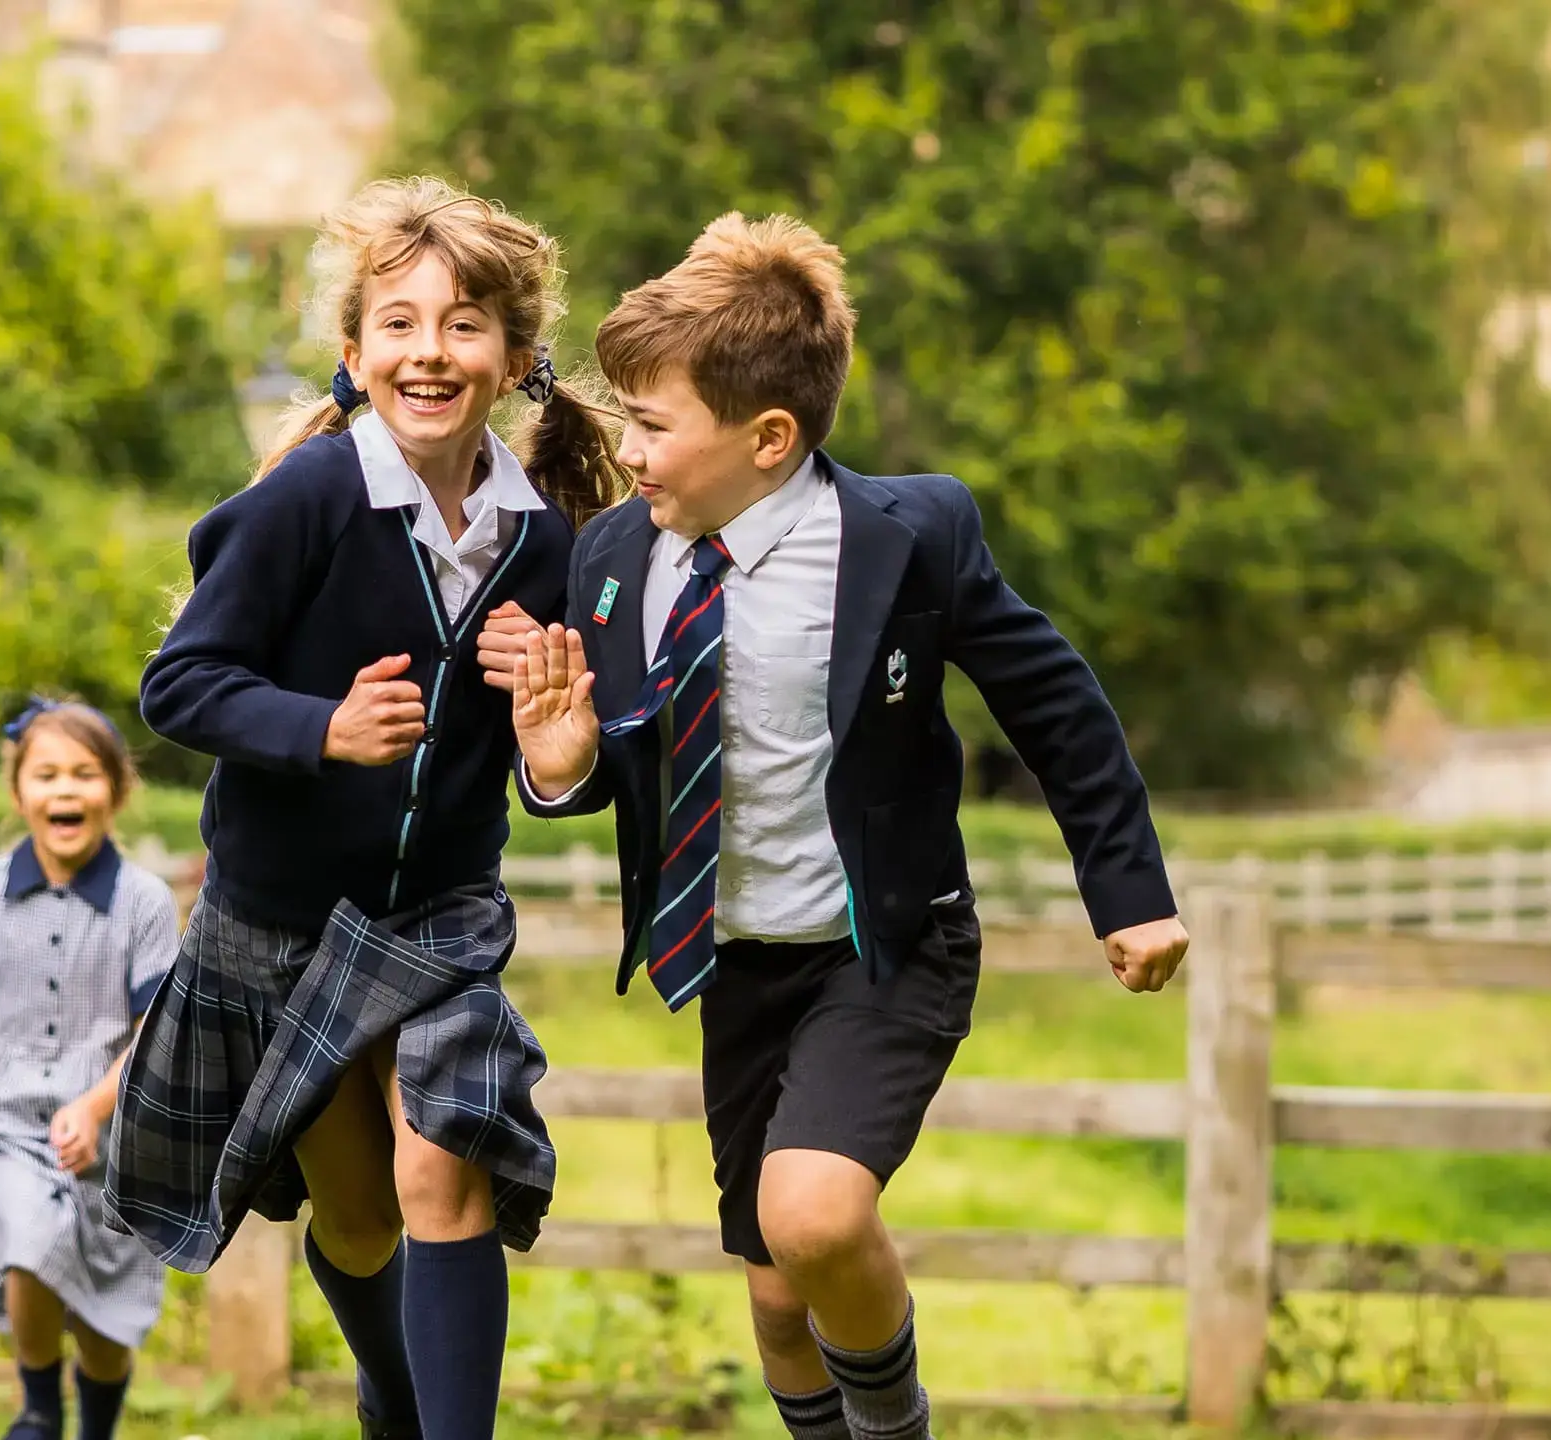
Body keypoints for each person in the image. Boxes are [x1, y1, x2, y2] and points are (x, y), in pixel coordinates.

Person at [496, 213, 1192, 1440]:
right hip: (734, 965)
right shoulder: (614, 558)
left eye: (653, 426)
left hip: (885, 944)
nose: (628, 450)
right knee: (776, 1299)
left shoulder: (904, 536)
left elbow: (1056, 705)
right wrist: (560, 770)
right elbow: (619, 764)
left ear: (768, 438)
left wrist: (1127, 891)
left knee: (813, 1216)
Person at [108, 176, 625, 1440]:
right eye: (398, 323)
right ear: (354, 353)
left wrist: (560, 760)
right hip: (278, 921)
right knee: (356, 1216)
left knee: (440, 1156)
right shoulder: (309, 500)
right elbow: (177, 685)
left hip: (441, 917)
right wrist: (318, 730)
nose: (428, 351)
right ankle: (397, 1410)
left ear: (513, 359)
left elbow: (565, 768)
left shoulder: (551, 541)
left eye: (461, 325)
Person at [0, 699, 178, 1440]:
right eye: (46, 775)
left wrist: (96, 1108)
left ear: (118, 790)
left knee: (106, 1314)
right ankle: (38, 1413)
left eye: (84, 774)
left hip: (114, 1126)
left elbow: (154, 1026)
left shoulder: (144, 902)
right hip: (11, 1124)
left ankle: (94, 1426)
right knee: (29, 1252)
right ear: (18, 793)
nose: (65, 791)